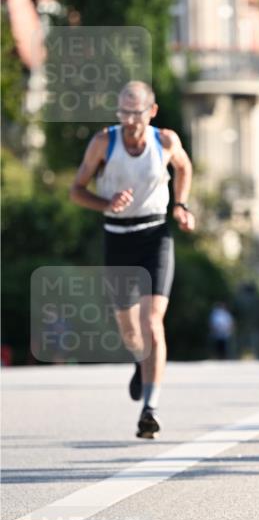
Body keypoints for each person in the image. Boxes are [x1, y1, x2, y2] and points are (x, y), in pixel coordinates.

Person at [70, 81, 195, 438]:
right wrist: (105, 203)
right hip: (117, 239)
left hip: (155, 236)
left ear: (151, 112)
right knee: (129, 329)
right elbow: (76, 190)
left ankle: (150, 408)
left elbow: (184, 169)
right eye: (122, 112)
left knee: (152, 320)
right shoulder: (103, 143)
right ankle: (140, 362)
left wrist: (181, 205)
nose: (128, 120)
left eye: (135, 113)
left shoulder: (166, 141)